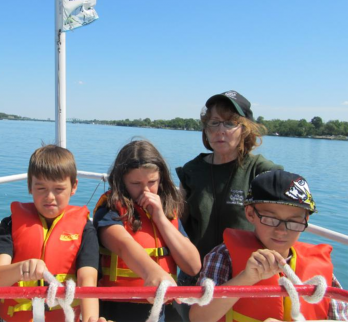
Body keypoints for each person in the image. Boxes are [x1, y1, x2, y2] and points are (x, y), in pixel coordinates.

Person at [189, 170, 348, 322]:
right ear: (250, 214)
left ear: (305, 219)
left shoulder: (320, 273)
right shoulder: (223, 256)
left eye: (293, 222)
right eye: (271, 219)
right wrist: (246, 278)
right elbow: (198, 318)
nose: (281, 231)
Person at [0, 145, 100, 322]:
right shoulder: (9, 225)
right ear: (29, 187)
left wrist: (91, 318)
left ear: (74, 186)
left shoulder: (85, 229)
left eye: (59, 189)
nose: (49, 196)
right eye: (41, 188)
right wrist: (21, 268)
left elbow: (88, 281)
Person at [93, 140, 201, 322]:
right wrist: (153, 274)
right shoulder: (109, 210)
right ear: (122, 182)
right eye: (136, 183)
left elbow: (193, 266)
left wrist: (160, 218)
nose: (145, 190)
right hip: (120, 308)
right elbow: (122, 245)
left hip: (165, 307)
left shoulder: (167, 212)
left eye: (152, 182)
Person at [177, 90, 283, 263]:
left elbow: (285, 221)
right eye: (214, 123)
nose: (220, 131)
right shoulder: (191, 171)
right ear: (206, 129)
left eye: (229, 123)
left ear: (245, 129)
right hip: (196, 273)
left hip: (245, 275)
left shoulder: (262, 171)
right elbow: (178, 223)